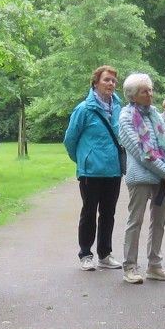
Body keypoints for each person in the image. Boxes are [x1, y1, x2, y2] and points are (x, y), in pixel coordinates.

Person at [115, 72, 165, 284]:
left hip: (164, 178)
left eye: (151, 90)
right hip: (141, 178)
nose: (150, 94)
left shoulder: (155, 115)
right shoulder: (125, 118)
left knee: (159, 222)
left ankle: (155, 265)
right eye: (145, 91)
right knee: (136, 221)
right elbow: (144, 153)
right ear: (132, 96)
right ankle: (130, 267)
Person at [63, 65, 123, 270]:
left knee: (109, 213)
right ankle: (85, 254)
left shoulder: (118, 108)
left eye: (114, 81)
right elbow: (70, 140)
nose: (111, 84)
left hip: (113, 170)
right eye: (106, 80)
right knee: (89, 212)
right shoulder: (83, 109)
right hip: (90, 171)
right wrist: (83, 160)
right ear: (95, 83)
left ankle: (105, 254)